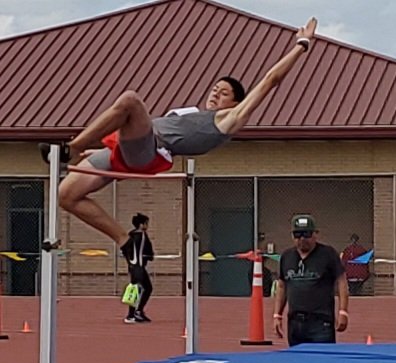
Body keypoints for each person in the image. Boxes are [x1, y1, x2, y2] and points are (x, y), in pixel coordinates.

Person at [42, 17, 318, 251]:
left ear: (235, 103)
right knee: (67, 195)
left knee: (130, 101)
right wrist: (110, 148)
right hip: (127, 148)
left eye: (223, 93)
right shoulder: (192, 114)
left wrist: (301, 45)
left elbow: (270, 80)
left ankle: (71, 148)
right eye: (215, 89)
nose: (215, 94)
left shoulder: (229, 120)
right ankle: (127, 242)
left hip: (149, 152)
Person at [273, 215, 349, 346]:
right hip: (295, 322)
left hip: (320, 321)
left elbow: (341, 281)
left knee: (322, 356)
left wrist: (343, 311)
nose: (302, 239)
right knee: (297, 357)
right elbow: (282, 286)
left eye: (306, 234)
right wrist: (277, 315)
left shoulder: (328, 254)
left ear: (315, 234)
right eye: (297, 235)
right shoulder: (287, 256)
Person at [124, 213, 154, 324]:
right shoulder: (142, 236)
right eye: (146, 223)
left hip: (133, 266)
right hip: (139, 267)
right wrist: (149, 256)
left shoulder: (130, 235)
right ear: (141, 225)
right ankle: (133, 313)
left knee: (139, 288)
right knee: (142, 288)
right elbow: (146, 251)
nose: (147, 226)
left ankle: (135, 312)